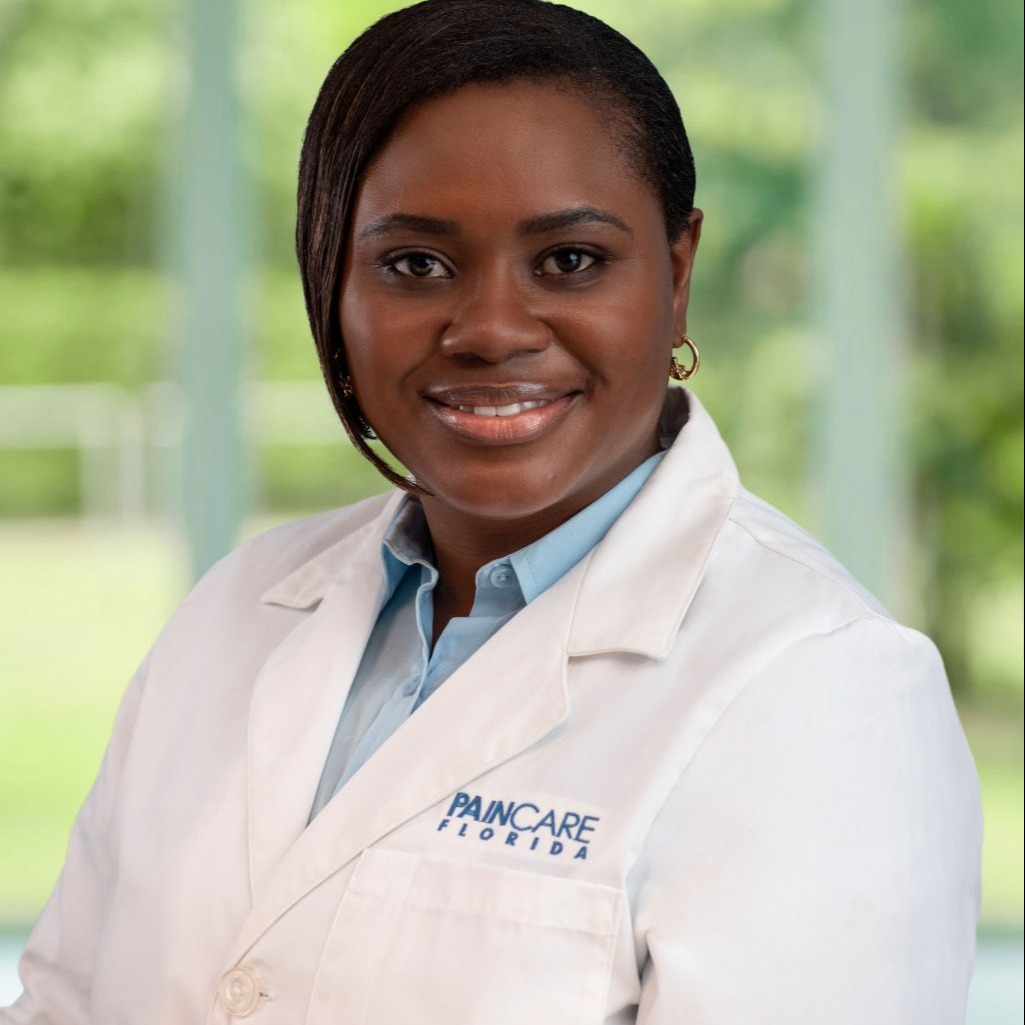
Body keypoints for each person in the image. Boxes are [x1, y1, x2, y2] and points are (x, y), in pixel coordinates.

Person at [3, 1, 982, 1022]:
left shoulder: (822, 685)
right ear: (331, 283)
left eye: (569, 260)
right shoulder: (235, 610)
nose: (490, 329)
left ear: (676, 274)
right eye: (415, 265)